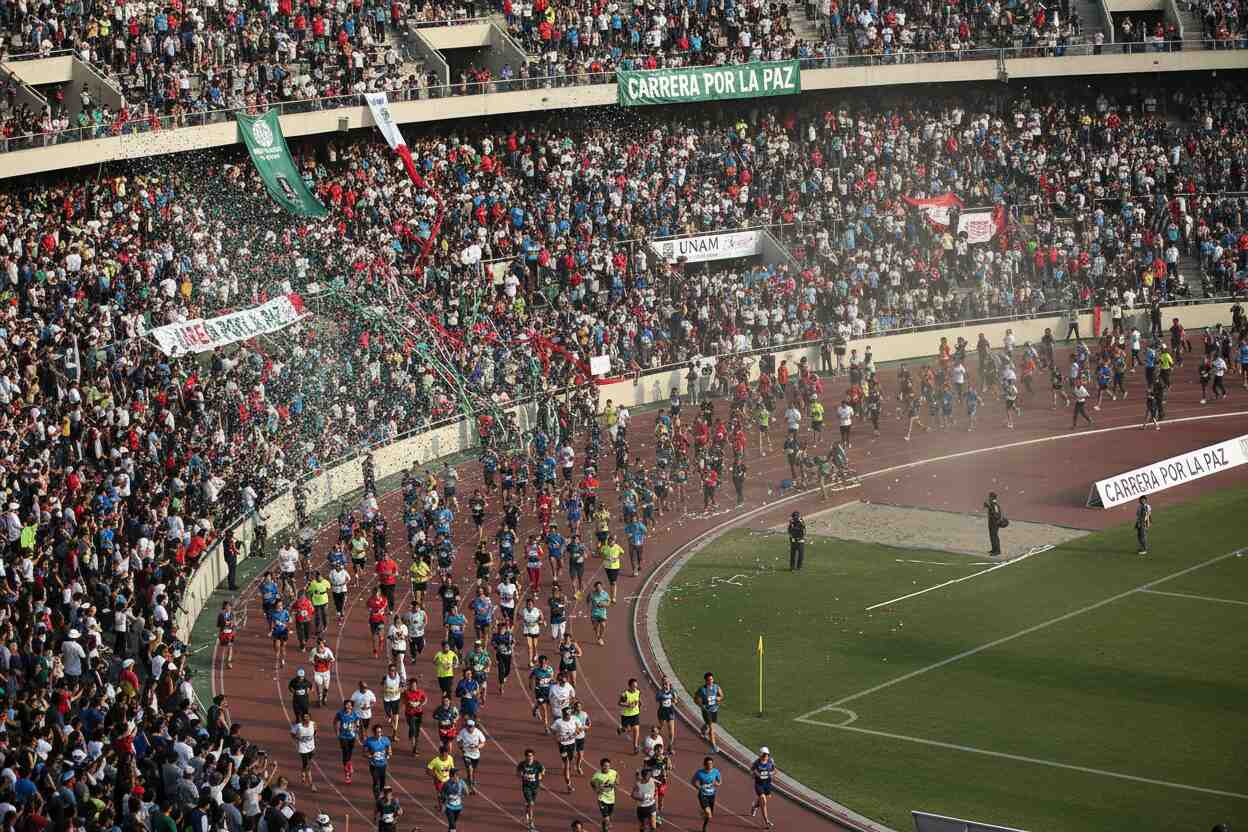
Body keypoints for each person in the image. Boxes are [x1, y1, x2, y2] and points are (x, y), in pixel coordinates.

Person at [551, 706, 580, 792]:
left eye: (569, 714)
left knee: (571, 759)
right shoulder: (558, 722)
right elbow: (552, 729)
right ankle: (568, 784)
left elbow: (579, 727)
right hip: (563, 745)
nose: (569, 716)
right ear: (563, 714)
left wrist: (577, 732)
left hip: (572, 744)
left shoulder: (574, 719)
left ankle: (567, 766)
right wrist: (557, 737)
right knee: (566, 764)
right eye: (567, 714)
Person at [694, 672, 724, 753]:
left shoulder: (716, 687)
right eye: (709, 680)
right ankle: (713, 746)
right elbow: (695, 699)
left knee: (710, 724)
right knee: (712, 728)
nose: (711, 681)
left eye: (711, 679)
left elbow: (722, 695)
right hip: (706, 711)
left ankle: (703, 729)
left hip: (714, 710)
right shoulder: (702, 690)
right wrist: (701, 706)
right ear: (706, 681)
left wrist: (719, 698)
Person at [517, 748, 545, 831]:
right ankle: (531, 824)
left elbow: (543, 769)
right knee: (531, 803)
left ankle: (528, 810)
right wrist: (521, 774)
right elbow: (518, 772)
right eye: (528, 756)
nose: (530, 757)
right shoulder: (522, 764)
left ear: (533, 756)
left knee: (531, 804)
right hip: (526, 787)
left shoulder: (537, 764)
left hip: (535, 787)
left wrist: (541, 774)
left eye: (531, 756)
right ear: (525, 757)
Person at [455, 718, 486, 793]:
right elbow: (458, 740)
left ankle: (469, 781)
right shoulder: (463, 732)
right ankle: (471, 788)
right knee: (470, 769)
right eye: (468, 726)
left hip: (476, 755)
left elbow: (483, 742)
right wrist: (461, 748)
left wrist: (477, 747)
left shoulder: (478, 732)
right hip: (466, 754)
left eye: (471, 726)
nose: (469, 728)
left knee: (472, 771)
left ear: (474, 726)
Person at [691, 757, 722, 832]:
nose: (710, 765)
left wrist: (716, 784)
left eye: (711, 764)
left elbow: (720, 781)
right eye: (708, 764)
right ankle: (704, 815)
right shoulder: (699, 773)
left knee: (709, 816)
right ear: (704, 765)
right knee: (708, 813)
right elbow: (693, 782)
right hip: (703, 795)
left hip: (712, 795)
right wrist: (699, 788)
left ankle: (704, 827)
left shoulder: (716, 771)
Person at [334, 700, 360, 784]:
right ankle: (347, 772)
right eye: (346, 705)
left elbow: (357, 722)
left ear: (352, 706)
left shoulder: (354, 714)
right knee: (345, 751)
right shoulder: (340, 713)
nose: (348, 706)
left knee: (349, 753)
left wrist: (357, 730)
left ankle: (348, 766)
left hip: (351, 736)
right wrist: (337, 731)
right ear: (344, 706)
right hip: (343, 736)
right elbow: (335, 721)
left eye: (350, 705)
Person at [290, 711, 318, 793]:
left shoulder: (313, 724)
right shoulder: (298, 726)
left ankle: (303, 771)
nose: (306, 719)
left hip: (311, 747)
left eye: (308, 717)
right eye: (304, 717)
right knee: (308, 765)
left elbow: (315, 731)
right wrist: (297, 738)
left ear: (310, 718)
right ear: (302, 719)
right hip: (303, 749)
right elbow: (292, 733)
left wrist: (314, 739)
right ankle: (312, 784)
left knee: (306, 763)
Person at [363, 724, 392, 798]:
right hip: (374, 765)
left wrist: (389, 753)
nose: (379, 734)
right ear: (374, 732)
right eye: (377, 732)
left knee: (382, 782)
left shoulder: (385, 739)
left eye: (380, 732)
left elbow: (389, 748)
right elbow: (364, 753)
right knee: (376, 781)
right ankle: (377, 796)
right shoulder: (369, 741)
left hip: (383, 764)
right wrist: (371, 755)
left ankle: (381, 795)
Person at [750, 747, 776, 829]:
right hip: (759, 784)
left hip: (767, 784)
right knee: (763, 801)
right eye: (764, 755)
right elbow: (751, 771)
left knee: (764, 799)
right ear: (760, 755)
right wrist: (756, 774)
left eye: (767, 754)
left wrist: (771, 774)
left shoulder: (770, 762)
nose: (766, 756)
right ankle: (767, 821)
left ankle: (754, 806)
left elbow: (775, 771)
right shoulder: (756, 763)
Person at [616, 678, 642, 754]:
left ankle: (635, 746)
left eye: (636, 686)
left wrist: (639, 704)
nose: (635, 688)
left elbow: (638, 699)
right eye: (634, 686)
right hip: (626, 715)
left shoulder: (638, 692)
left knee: (636, 729)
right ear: (629, 686)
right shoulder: (625, 694)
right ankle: (621, 729)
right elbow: (619, 703)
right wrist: (628, 705)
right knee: (626, 729)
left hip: (635, 714)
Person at [441, 766, 469, 831]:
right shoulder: (447, 784)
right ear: (451, 776)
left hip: (458, 807)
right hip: (449, 807)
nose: (457, 777)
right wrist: (443, 804)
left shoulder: (461, 782)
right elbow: (442, 794)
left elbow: (467, 792)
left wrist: (462, 794)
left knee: (452, 825)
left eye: (458, 775)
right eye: (456, 775)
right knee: (453, 825)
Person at [631, 766, 659, 831]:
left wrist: (656, 803)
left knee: (653, 826)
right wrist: (640, 798)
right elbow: (632, 795)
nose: (650, 776)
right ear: (644, 776)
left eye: (650, 774)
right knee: (642, 826)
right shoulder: (638, 784)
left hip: (651, 806)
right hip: (641, 807)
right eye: (649, 775)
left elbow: (656, 792)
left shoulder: (653, 781)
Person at [655, 675, 677, 750]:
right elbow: (657, 699)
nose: (665, 683)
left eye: (666, 681)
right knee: (661, 726)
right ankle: (655, 732)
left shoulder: (673, 691)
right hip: (662, 711)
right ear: (662, 682)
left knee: (671, 730)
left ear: (669, 682)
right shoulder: (659, 692)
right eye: (664, 681)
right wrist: (663, 695)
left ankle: (670, 745)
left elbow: (676, 700)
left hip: (670, 711)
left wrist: (674, 700)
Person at [984, 492, 1005, 557]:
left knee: (994, 536)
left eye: (990, 497)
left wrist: (988, 507)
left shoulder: (995, 505)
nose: (989, 498)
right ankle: (994, 549)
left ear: (992, 497)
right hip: (991, 523)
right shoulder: (992, 504)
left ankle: (997, 551)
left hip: (995, 523)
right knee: (992, 536)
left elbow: (996, 515)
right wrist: (988, 507)